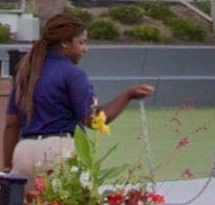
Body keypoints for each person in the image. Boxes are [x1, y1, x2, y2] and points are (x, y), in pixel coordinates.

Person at [9, 14, 147, 181]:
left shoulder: (26, 73)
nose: (85, 49)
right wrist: (128, 95)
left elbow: (11, 124)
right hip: (58, 150)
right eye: (81, 42)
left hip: (23, 151)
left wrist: (6, 167)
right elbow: (93, 119)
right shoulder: (72, 74)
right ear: (65, 43)